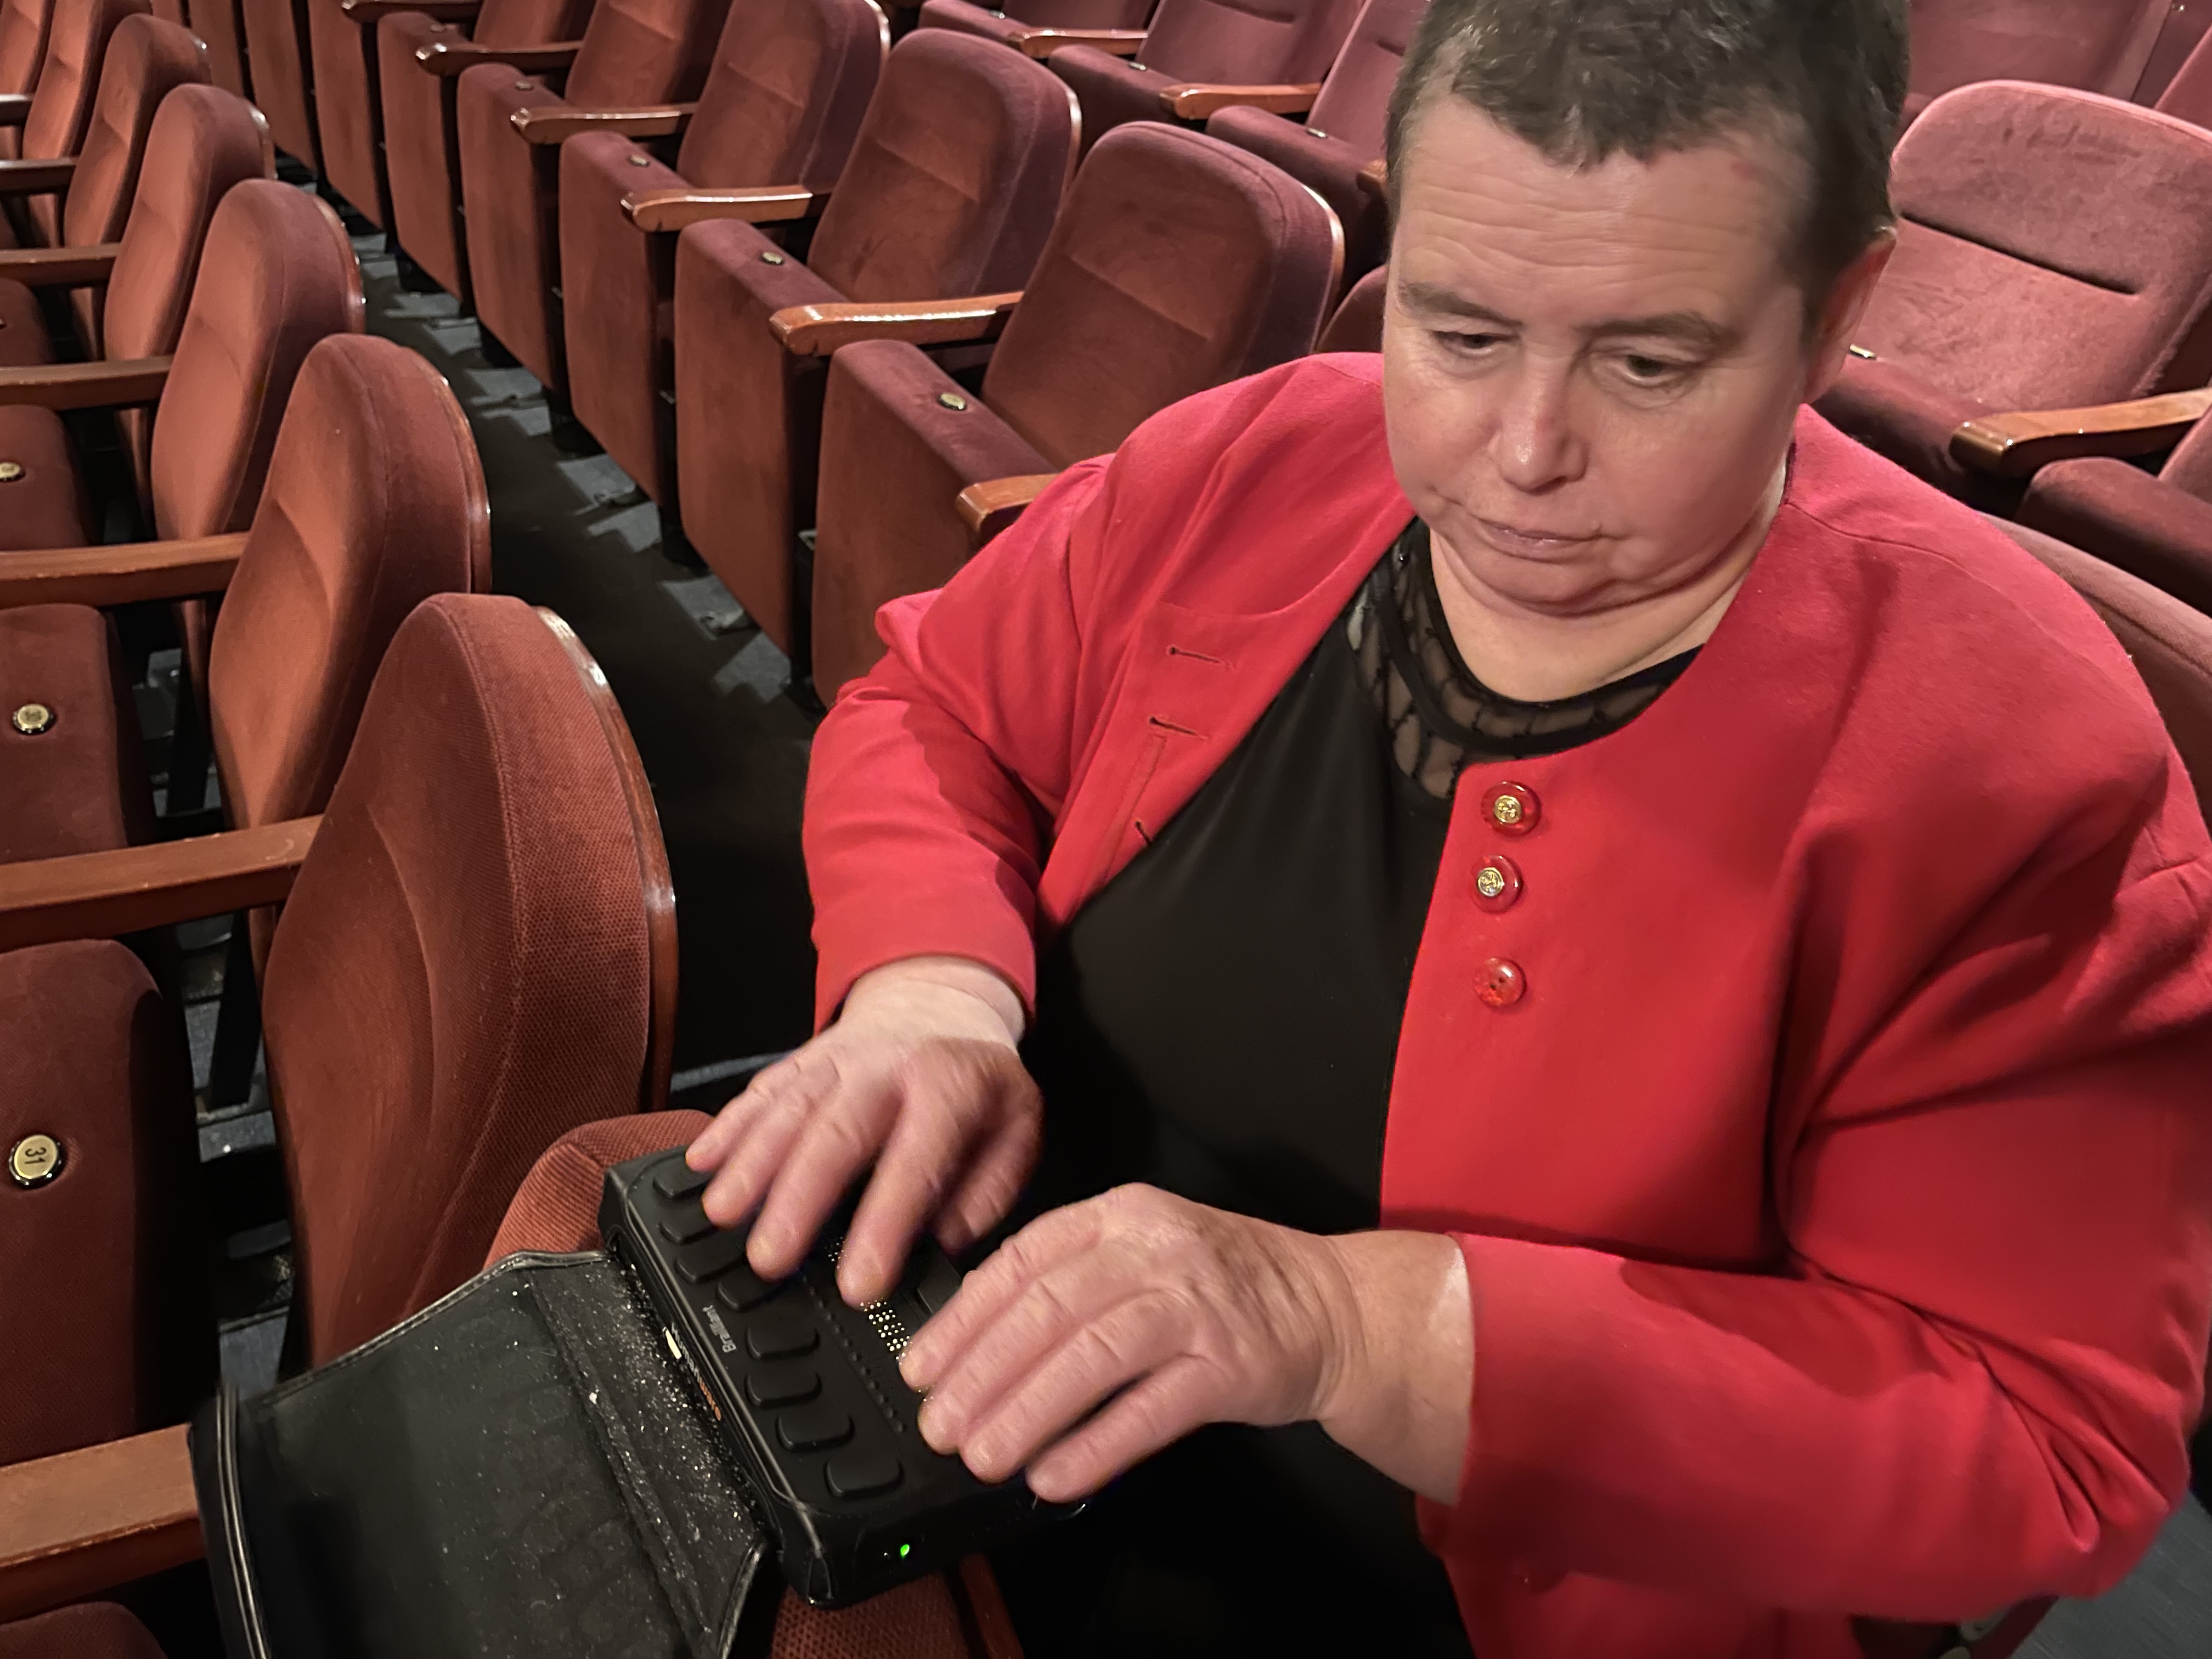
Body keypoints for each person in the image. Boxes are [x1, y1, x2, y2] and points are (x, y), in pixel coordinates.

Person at [493, 1, 2212, 1654]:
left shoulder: (2015, 764)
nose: (1523, 453)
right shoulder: (1265, 452)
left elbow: (2041, 1445)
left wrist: (1350, 1330)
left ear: (1839, 315)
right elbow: (939, 714)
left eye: (1651, 360)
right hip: (962, 1422)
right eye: (1458, 331)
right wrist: (929, 991)